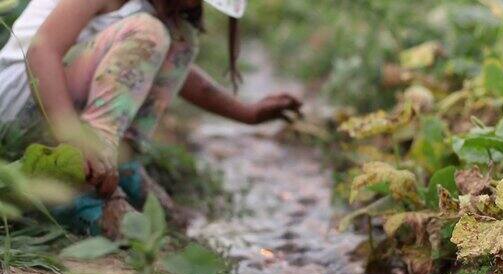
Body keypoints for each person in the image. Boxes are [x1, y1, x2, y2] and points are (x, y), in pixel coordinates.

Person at [0, 0, 302, 236]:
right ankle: (83, 185)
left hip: (54, 107)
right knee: (151, 32)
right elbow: (42, 52)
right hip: (20, 104)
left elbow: (179, 74)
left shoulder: (156, 13)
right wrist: (75, 139)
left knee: (178, 39)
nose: (190, 5)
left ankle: (119, 161)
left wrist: (248, 113)